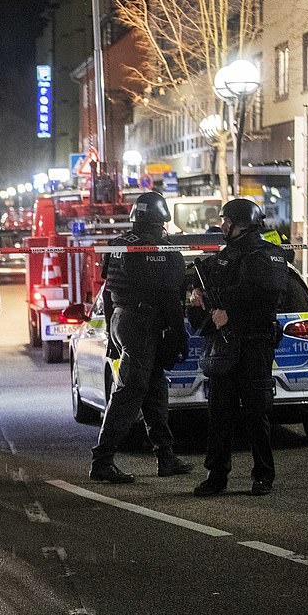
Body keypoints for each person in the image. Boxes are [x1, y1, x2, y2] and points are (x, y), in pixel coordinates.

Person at [90, 191, 192, 483]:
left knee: (154, 389)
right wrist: (179, 333)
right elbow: (171, 297)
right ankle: (102, 460)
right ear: (162, 218)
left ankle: (166, 455)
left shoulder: (119, 245)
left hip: (124, 320)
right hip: (144, 325)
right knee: (129, 392)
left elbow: (109, 293)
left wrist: (113, 333)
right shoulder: (161, 250)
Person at [190, 199, 288, 497]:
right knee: (220, 412)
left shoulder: (265, 255)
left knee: (256, 413)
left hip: (254, 343)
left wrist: (230, 312)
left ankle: (263, 476)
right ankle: (217, 475)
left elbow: (267, 299)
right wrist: (200, 296)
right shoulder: (227, 255)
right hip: (228, 344)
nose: (221, 226)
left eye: (225, 221)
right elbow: (212, 287)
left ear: (236, 223)